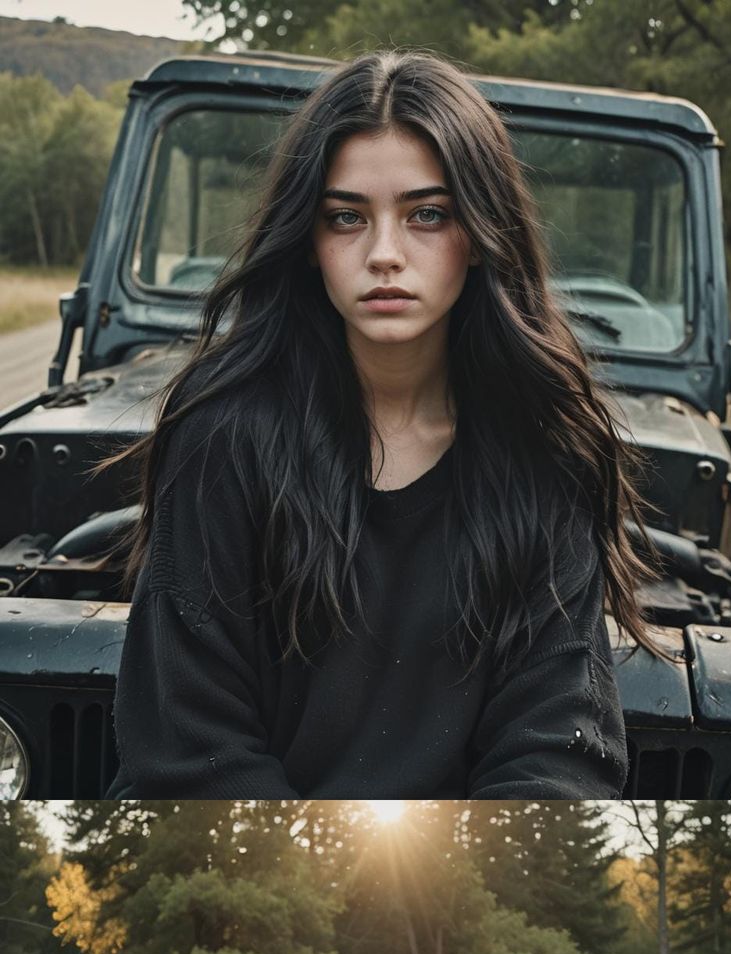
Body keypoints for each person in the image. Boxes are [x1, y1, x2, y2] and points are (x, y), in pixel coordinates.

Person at [107, 50, 655, 799]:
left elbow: (557, 752)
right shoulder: (223, 435)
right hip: (245, 857)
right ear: (309, 240)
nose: (385, 255)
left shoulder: (546, 453)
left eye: (428, 214)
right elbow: (189, 746)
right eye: (347, 217)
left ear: (480, 232)